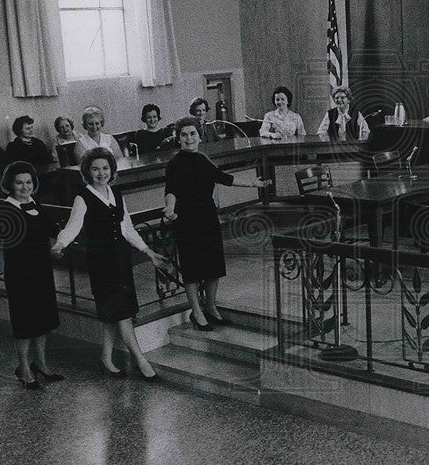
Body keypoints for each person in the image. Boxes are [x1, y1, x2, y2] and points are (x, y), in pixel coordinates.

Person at [51, 147, 171, 379]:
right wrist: (60, 244)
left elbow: (127, 227)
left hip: (120, 259)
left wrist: (149, 252)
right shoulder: (82, 197)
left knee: (114, 312)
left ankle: (106, 357)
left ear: (111, 170)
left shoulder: (116, 194)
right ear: (87, 172)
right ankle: (140, 360)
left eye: (105, 168)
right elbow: (73, 226)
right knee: (122, 312)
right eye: (95, 169)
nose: (101, 173)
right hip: (101, 262)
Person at [0, 161, 63, 389]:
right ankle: (24, 368)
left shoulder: (35, 204)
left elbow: (53, 230)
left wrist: (59, 245)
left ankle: (42, 364)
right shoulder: (6, 210)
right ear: (10, 184)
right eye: (19, 183)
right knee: (25, 322)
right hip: (20, 274)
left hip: (42, 271)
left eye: (28, 182)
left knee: (43, 319)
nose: (25, 187)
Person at [163, 117, 272, 330]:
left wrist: (251, 183)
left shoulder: (202, 159)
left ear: (199, 136)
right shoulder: (174, 164)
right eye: (184, 135)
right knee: (192, 268)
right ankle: (196, 312)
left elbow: (223, 178)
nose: (188, 138)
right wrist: (169, 208)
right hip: (185, 219)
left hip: (207, 216)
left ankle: (211, 307)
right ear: (178, 138)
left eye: (192, 134)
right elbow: (171, 191)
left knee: (214, 265)